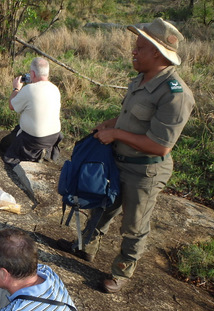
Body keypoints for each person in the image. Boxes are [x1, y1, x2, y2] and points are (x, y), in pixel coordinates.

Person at [71, 18, 195, 293]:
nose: (133, 52)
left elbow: (161, 145)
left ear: (158, 53)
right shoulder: (140, 80)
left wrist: (116, 135)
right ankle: (85, 246)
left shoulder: (176, 94)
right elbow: (131, 118)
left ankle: (121, 273)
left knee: (134, 224)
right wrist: (110, 125)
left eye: (140, 47)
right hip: (119, 159)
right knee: (102, 205)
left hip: (145, 170)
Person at [0, 57, 63, 166]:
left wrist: (16, 89)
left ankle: (35, 154)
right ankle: (45, 151)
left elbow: (12, 106)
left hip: (33, 140)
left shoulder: (29, 89)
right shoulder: (55, 89)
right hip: (52, 138)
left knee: (4, 145)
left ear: (33, 74)